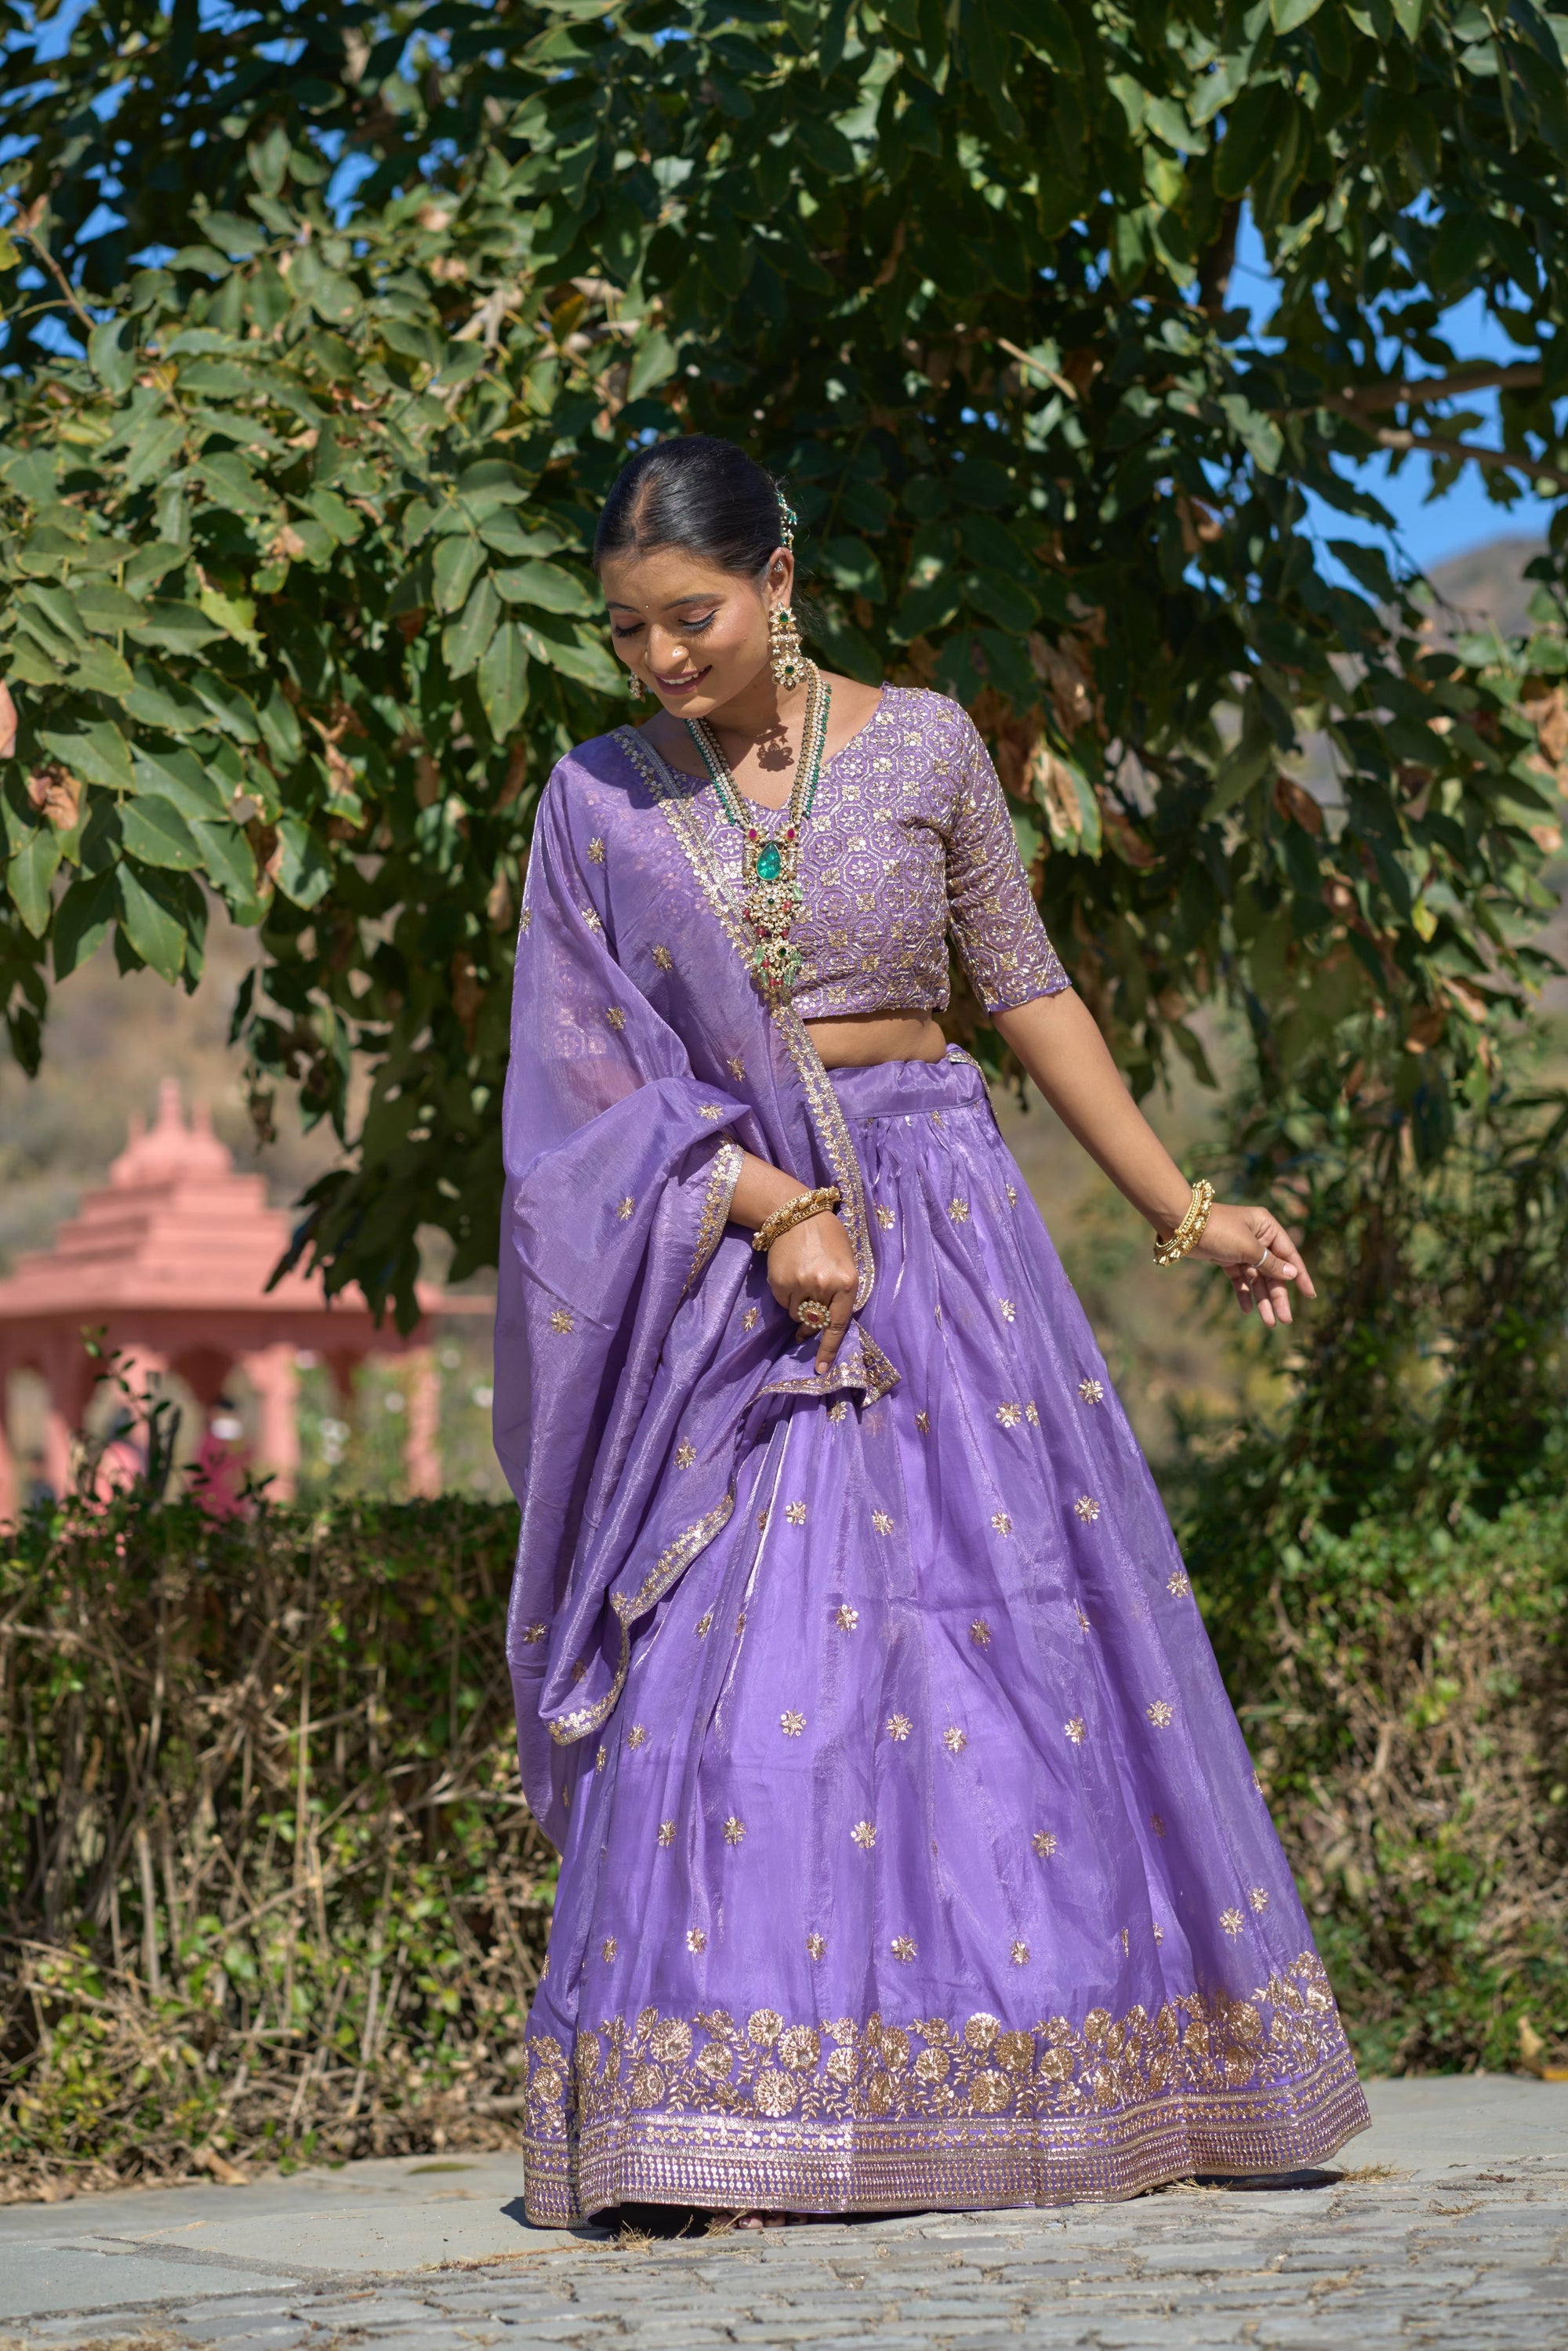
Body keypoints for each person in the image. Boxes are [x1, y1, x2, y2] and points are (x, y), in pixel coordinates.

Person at [493, 435, 1369, 2229]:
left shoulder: (927, 745)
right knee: (729, 1666)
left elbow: (1027, 990)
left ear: (779, 579)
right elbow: (583, 1093)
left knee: (1005, 1652)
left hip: (945, 1232)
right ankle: (709, 2121)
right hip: (733, 1259)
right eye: (630, 632)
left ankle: (1066, 2085)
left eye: (692, 617)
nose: (661, 659)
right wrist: (772, 1208)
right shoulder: (597, 798)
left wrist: (1183, 1209)